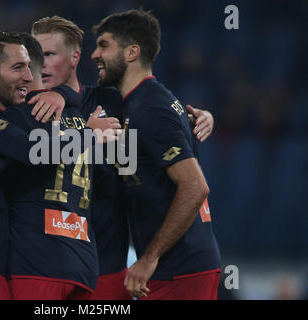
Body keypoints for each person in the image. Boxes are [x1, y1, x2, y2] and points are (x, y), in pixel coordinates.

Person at [30, 15, 215, 300]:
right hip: (46, 267)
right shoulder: (27, 110)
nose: (40, 64)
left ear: (74, 57)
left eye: (50, 54)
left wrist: (201, 117)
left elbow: (162, 111)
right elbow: (26, 153)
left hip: (113, 268)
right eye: (34, 56)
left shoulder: (117, 103)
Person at [0, 32, 115, 300]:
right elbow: (14, 158)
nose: (28, 76)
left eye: (29, 66)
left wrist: (63, 96)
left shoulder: (7, 118)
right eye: (18, 67)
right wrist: (89, 134)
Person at [91, 9, 221, 300]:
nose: (94, 55)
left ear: (132, 52)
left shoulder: (151, 108)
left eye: (104, 45)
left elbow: (195, 186)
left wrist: (149, 258)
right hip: (176, 269)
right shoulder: (144, 102)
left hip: (180, 270)